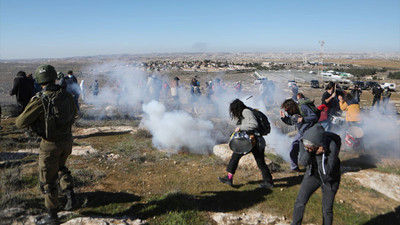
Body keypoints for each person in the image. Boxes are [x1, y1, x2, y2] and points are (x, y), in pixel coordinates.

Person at [15, 65, 78, 225]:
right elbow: (75, 112)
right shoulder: (65, 94)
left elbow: (20, 123)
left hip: (50, 145)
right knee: (62, 168)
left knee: (48, 181)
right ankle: (70, 195)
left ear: (39, 80)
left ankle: (52, 216)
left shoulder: (40, 100)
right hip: (67, 140)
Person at [291, 124, 341, 225]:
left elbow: (326, 172)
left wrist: (319, 155)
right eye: (305, 144)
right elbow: (303, 162)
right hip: (312, 175)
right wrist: (309, 151)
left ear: (318, 144)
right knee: (300, 202)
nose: (306, 146)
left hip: (330, 180)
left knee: (327, 209)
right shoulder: (305, 142)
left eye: (310, 146)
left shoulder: (332, 146)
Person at [219, 99, 274, 188]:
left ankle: (229, 178)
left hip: (253, 141)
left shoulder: (246, 112)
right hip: (252, 141)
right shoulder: (244, 112)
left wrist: (240, 128)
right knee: (256, 161)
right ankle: (269, 182)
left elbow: (254, 124)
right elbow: (240, 122)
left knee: (256, 161)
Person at [280, 97, 318, 172]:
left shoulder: (303, 107)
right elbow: (291, 122)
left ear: (291, 106)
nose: (287, 111)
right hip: (301, 132)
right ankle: (294, 167)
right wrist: (284, 118)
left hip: (310, 131)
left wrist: (304, 119)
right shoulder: (292, 112)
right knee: (293, 147)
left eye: (287, 109)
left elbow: (314, 117)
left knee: (310, 149)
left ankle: (314, 166)